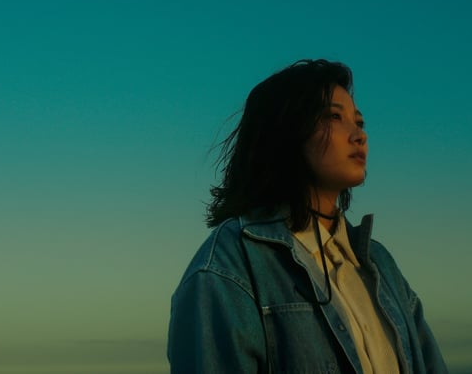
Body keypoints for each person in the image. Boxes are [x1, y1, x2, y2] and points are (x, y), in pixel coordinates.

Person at [167, 59, 447, 373]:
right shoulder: (229, 265)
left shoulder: (379, 263)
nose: (359, 135)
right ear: (287, 131)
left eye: (359, 122)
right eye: (334, 116)